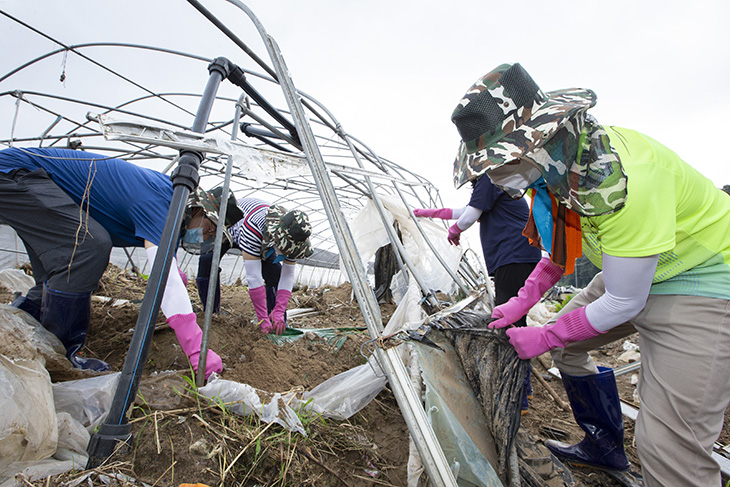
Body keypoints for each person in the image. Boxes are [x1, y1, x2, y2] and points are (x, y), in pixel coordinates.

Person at [449, 62, 730, 486]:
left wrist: (546, 334)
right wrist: (522, 301)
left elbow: (624, 302)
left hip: (701, 283)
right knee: (570, 350)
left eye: (499, 163)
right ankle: (604, 446)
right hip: (632, 271)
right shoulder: (559, 172)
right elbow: (561, 254)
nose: (493, 177)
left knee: (670, 448)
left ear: (537, 141)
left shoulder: (623, 178)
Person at [0, 146, 223, 379]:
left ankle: (17, 333)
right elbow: (164, 277)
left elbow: (169, 267)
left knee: (59, 269)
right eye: (210, 228)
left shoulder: (169, 206)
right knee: (87, 246)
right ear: (198, 209)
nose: (207, 236)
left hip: (25, 179)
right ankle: (60, 360)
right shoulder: (166, 204)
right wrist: (197, 349)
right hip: (16, 174)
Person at [413, 174, 542, 412]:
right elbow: (466, 210)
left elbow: (470, 215)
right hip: (520, 257)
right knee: (516, 322)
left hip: (513, 256)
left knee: (508, 325)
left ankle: (515, 395)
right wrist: (427, 213)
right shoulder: (500, 181)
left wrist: (454, 231)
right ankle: (524, 387)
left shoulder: (490, 178)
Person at [183, 190, 313, 335]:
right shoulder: (254, 227)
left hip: (264, 238)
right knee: (207, 262)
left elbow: (287, 275)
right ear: (276, 237)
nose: (285, 253)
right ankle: (212, 314)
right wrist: (261, 318)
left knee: (274, 273)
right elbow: (253, 277)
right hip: (234, 228)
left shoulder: (297, 237)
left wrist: (280, 310)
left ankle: (277, 320)